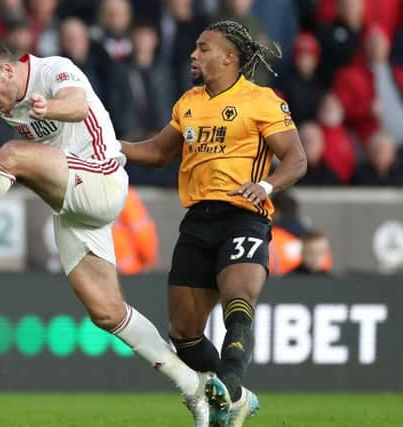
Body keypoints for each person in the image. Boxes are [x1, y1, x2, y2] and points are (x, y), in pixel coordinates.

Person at [0, 40, 224, 426]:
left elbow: (77, 103)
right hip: (72, 201)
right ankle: (195, 387)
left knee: (11, 154)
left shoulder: (53, 70)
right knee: (107, 313)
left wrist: (49, 107)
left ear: (8, 71)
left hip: (101, 180)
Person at [120, 21, 307, 426]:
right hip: (197, 221)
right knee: (183, 332)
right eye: (194, 49)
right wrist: (112, 146)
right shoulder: (188, 102)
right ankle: (238, 396)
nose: (194, 55)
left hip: (244, 213)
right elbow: (157, 151)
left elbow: (296, 159)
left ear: (229, 57)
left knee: (237, 300)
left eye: (203, 49)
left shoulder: (261, 101)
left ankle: (232, 386)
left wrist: (266, 184)